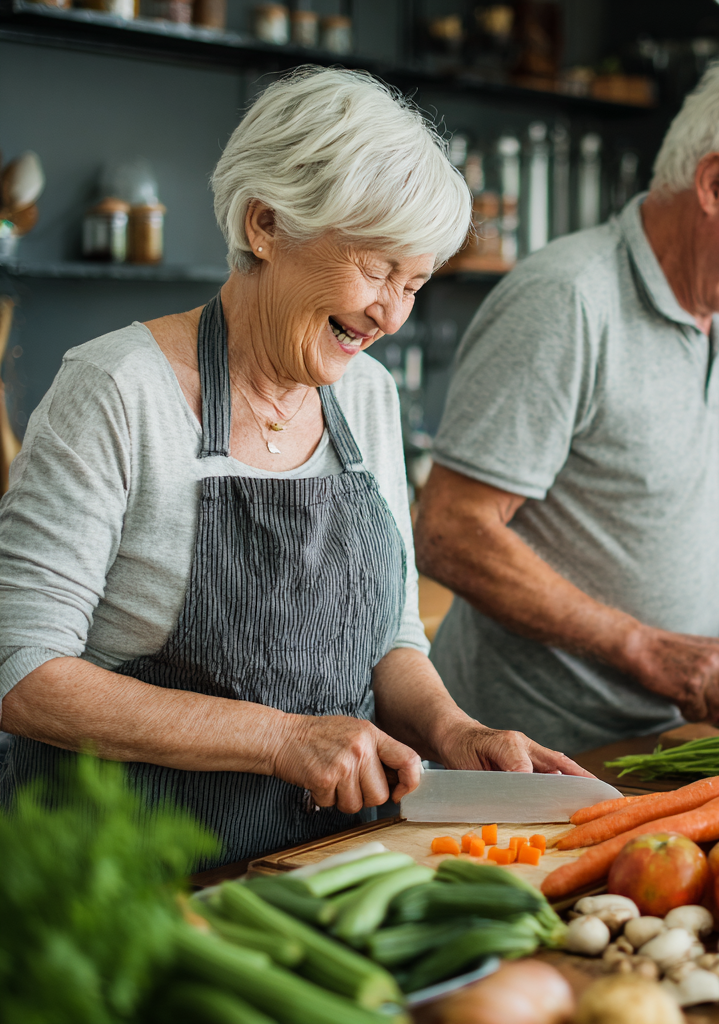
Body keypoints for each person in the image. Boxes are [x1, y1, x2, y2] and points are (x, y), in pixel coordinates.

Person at [0, 69, 588, 868]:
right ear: (267, 223)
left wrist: (454, 730)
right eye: (378, 270)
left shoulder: (368, 397)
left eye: (413, 284)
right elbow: (24, 671)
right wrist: (280, 739)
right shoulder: (117, 391)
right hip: (126, 886)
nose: (392, 315)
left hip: (325, 867)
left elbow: (389, 636)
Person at [416, 50, 719, 755]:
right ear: (715, 182)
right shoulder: (567, 300)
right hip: (523, 755)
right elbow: (449, 528)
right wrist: (641, 646)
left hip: (663, 745)